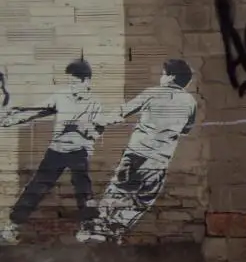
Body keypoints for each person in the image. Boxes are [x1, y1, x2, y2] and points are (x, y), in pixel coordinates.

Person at [77, 59, 198, 244]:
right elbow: (186, 130)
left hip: (137, 154)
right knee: (145, 198)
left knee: (119, 189)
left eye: (163, 74)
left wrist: (98, 123)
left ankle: (97, 228)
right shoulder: (191, 102)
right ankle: (116, 228)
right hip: (160, 160)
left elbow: (122, 112)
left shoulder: (153, 93)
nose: (161, 77)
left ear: (171, 77)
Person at [0, 59, 104, 244]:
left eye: (75, 83)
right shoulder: (60, 96)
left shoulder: (95, 105)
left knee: (84, 191)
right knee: (35, 188)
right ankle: (13, 227)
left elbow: (97, 132)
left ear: (86, 82)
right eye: (69, 82)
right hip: (56, 151)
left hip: (78, 153)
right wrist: (10, 120)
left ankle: (88, 228)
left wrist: (82, 130)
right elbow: (37, 111)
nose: (71, 87)